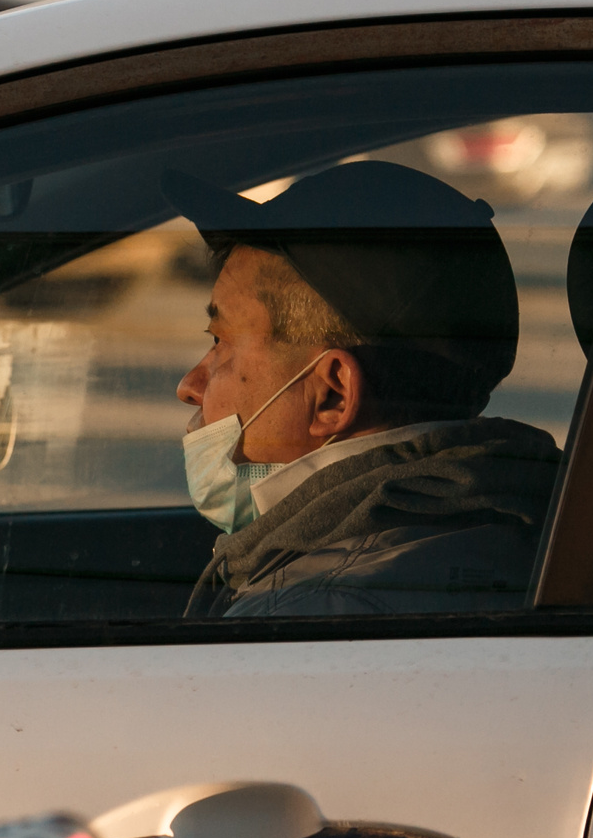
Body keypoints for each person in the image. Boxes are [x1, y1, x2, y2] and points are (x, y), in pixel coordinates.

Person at [162, 162, 563, 618]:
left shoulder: (298, 618)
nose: (190, 385)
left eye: (222, 342)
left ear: (332, 394)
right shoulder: (528, 518)